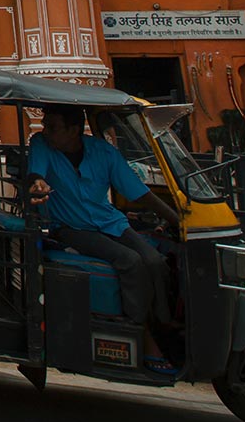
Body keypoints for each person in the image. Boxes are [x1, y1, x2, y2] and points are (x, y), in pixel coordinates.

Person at [24, 104, 183, 374]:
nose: (46, 131)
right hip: (71, 226)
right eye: (45, 125)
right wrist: (37, 185)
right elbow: (36, 175)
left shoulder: (103, 152)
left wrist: (178, 221)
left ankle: (162, 323)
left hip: (110, 221)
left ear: (75, 129)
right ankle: (140, 332)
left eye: (53, 126)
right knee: (130, 261)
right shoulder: (41, 143)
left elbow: (138, 192)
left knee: (155, 261)